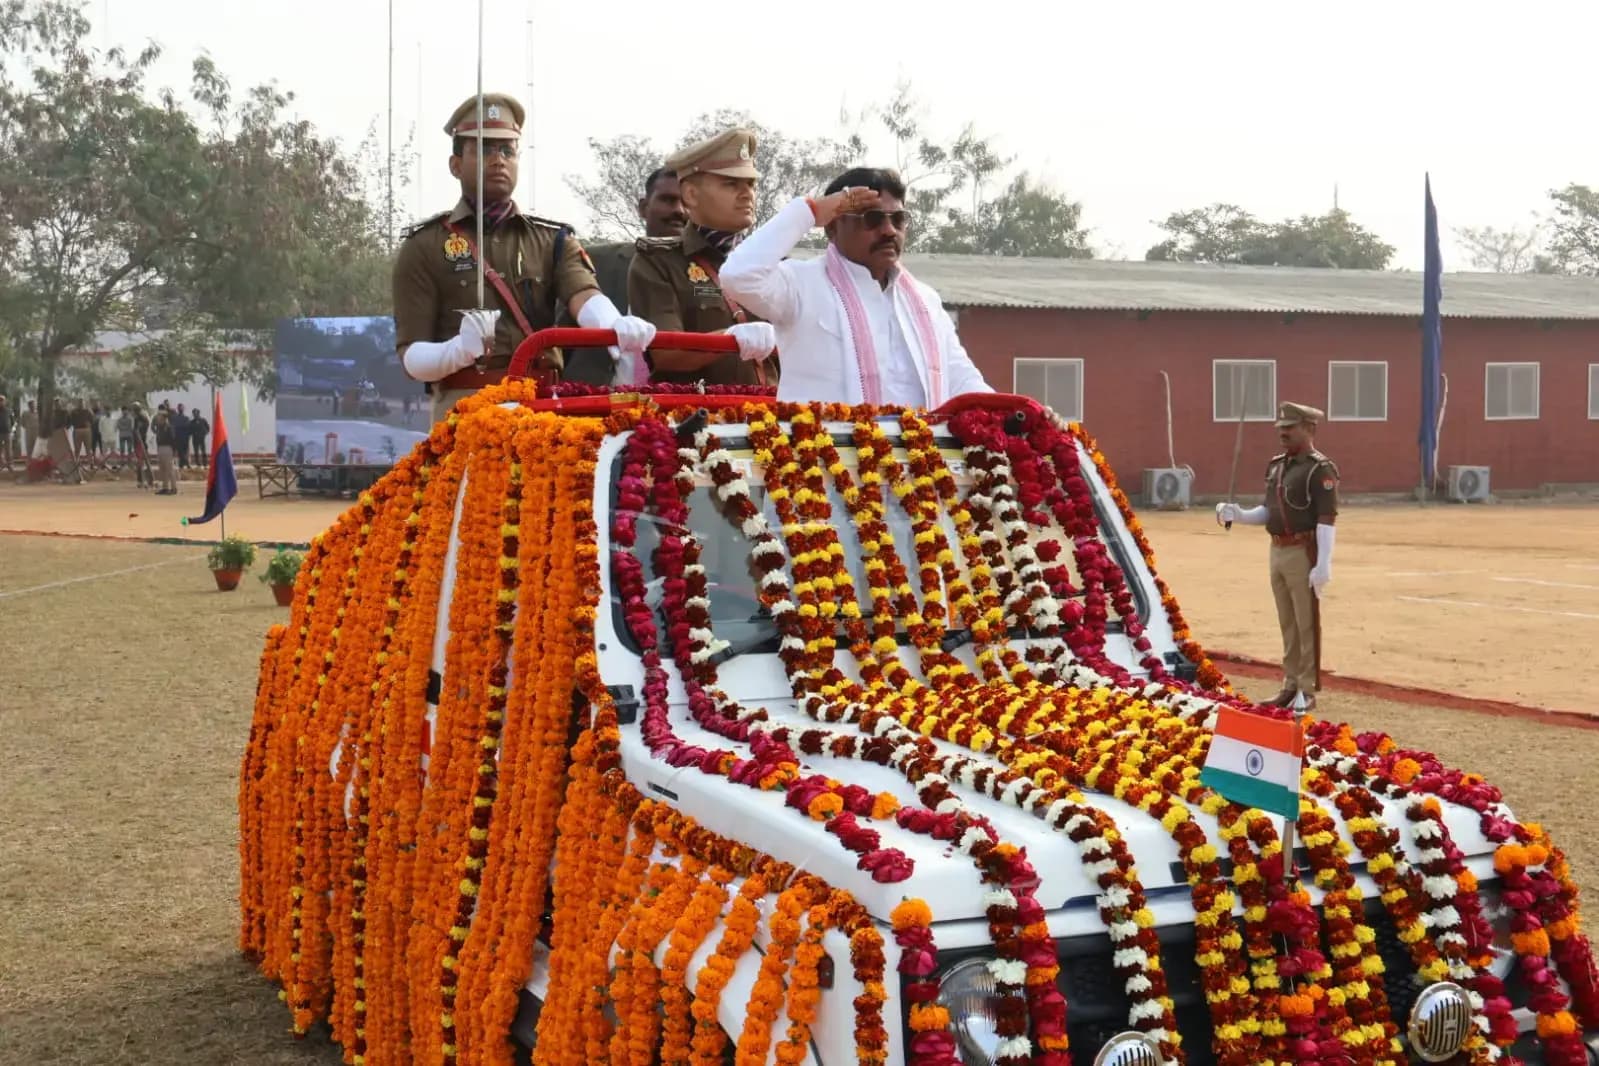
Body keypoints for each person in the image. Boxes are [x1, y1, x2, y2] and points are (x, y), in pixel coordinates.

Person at [392, 92, 655, 420]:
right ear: (455, 165)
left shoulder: (551, 239)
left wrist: (616, 327)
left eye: (507, 150)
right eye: (485, 149)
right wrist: (458, 350)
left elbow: (583, 295)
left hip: (543, 407)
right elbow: (411, 358)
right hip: (465, 411)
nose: (498, 159)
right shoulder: (425, 245)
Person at [719, 167, 992, 408]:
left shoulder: (925, 300)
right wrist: (811, 212)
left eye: (897, 220)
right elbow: (738, 275)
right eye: (872, 219)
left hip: (920, 459)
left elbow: (960, 378)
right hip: (822, 460)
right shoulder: (802, 284)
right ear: (832, 228)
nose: (888, 231)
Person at [628, 129, 778, 387]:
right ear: (691, 195)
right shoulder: (658, 261)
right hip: (695, 418)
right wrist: (729, 339)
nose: (747, 194)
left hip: (771, 417)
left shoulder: (772, 264)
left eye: (751, 184)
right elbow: (665, 352)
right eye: (731, 183)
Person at [1215, 401, 1339, 710]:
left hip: (1303, 550)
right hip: (1278, 549)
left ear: (1309, 428)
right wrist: (1239, 514)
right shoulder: (1277, 465)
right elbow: (1268, 512)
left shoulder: (1319, 468)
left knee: (1306, 621)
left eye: (1290, 428)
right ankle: (1290, 682)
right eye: (1281, 428)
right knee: (1287, 621)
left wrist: (1323, 563)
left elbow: (1326, 518)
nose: (1282, 433)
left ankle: (1307, 689)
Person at [565, 168, 689, 385]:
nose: (679, 210)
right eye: (668, 200)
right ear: (643, 207)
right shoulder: (596, 260)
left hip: (676, 406)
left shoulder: (707, 275)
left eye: (686, 201)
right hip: (592, 404)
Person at [152, 404, 178, 494]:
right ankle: (165, 487)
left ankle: (174, 488)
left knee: (169, 469)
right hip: (160, 448)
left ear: (164, 418)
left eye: (159, 417)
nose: (158, 419)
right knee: (162, 469)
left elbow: (173, 440)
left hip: (168, 448)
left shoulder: (169, 428)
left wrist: (174, 451)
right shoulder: (159, 428)